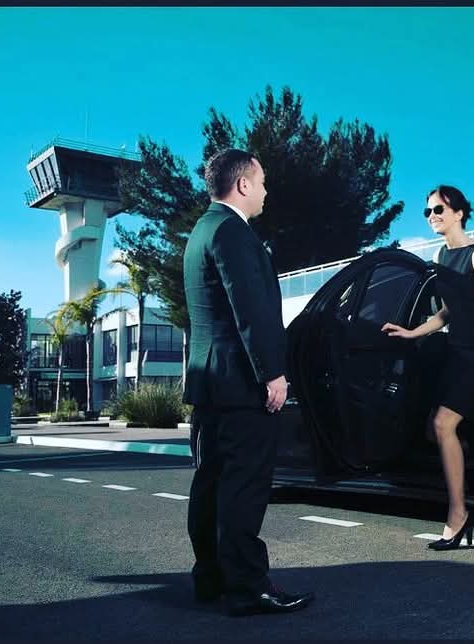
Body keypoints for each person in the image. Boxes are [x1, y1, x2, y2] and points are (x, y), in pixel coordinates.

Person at [182, 148, 314, 616]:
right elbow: (250, 310)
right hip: (240, 383)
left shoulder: (202, 230)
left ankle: (211, 577)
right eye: (260, 182)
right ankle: (248, 588)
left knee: (212, 481)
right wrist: (272, 373)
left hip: (209, 380)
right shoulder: (233, 232)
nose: (264, 191)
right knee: (243, 486)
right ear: (242, 185)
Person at [381, 185, 474, 551]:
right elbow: (447, 313)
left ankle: (458, 514)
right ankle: (466, 499)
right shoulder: (441, 255)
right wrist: (411, 332)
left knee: (443, 424)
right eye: (428, 211)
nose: (432, 216)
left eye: (438, 209)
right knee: (436, 428)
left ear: (459, 213)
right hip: (455, 352)